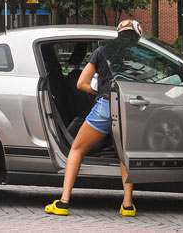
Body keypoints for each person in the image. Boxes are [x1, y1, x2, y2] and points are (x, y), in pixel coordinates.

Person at [45, 19, 144, 217]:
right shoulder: (141, 54)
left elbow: (81, 83)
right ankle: (127, 205)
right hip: (128, 108)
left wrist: (98, 91)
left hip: (105, 106)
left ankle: (63, 203)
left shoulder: (102, 51)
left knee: (77, 149)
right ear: (137, 35)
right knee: (126, 154)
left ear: (119, 33)